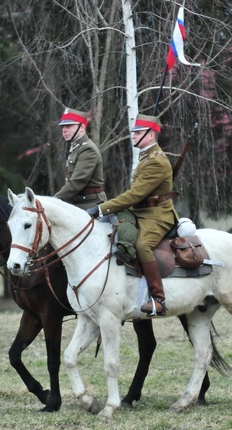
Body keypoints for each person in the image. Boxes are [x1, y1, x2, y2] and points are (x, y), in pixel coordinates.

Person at [86, 114, 177, 316]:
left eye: (137, 132)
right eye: (133, 132)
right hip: (140, 212)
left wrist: (102, 208)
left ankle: (158, 299)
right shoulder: (147, 157)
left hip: (157, 216)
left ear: (151, 135)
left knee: (143, 246)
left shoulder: (156, 162)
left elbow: (135, 195)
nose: (133, 136)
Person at [54, 107, 107, 209]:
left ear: (82, 127)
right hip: (77, 203)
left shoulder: (87, 149)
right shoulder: (76, 148)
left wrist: (54, 200)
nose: (64, 130)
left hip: (90, 205)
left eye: (69, 126)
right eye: (63, 126)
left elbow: (77, 182)